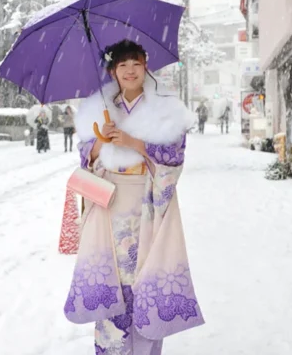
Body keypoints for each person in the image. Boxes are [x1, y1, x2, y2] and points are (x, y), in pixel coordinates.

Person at [69, 39, 204, 354]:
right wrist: (101, 142)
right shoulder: (99, 108)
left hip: (146, 205)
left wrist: (134, 142)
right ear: (112, 70)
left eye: (136, 64)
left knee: (145, 283)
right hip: (109, 208)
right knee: (110, 284)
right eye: (122, 65)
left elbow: (173, 158)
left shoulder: (165, 109)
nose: (130, 71)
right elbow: (85, 158)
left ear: (145, 65)